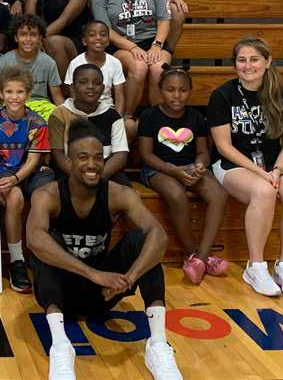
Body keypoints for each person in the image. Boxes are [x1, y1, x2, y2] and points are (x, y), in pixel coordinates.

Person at [27, 119, 183, 380]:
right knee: (46, 242)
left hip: (104, 293)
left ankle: (158, 344)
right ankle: (61, 347)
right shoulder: (47, 195)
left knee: (143, 241)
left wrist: (129, 278)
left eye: (98, 157)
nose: (92, 164)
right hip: (62, 293)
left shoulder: (119, 194)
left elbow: (158, 235)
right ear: (69, 162)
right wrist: (93, 273)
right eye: (83, 157)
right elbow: (34, 239)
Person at [207, 37, 283, 297]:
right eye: (242, 60)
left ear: (267, 61)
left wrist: (277, 170)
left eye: (254, 59)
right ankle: (255, 267)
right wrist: (261, 174)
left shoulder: (282, 95)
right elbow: (224, 147)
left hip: (273, 164)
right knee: (264, 191)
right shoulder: (222, 95)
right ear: (234, 65)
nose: (248, 65)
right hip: (233, 164)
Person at [139, 66, 228, 284]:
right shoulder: (150, 116)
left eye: (182, 90)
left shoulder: (196, 117)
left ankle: (201, 258)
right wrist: (173, 171)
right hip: (159, 169)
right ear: (160, 90)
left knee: (219, 195)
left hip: (189, 167)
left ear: (190, 91)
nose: (177, 95)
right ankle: (191, 253)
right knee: (176, 194)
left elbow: (203, 152)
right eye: (170, 90)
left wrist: (200, 166)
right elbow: (146, 155)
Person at [92, 0, 172, 117]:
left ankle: (155, 120)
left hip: (153, 41)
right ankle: (126, 117)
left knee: (158, 68)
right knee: (139, 67)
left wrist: (156, 45)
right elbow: (106, 31)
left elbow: (164, 19)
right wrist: (133, 47)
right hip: (121, 44)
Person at [0, 67, 53, 293]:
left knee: (45, 196)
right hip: (4, 172)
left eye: (20, 92)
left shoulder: (37, 122)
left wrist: (16, 178)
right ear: (0, 93)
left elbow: (34, 160)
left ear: (28, 94)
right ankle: (17, 261)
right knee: (14, 199)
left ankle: (43, 256)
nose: (14, 97)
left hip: (28, 172)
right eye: (9, 92)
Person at [49, 64, 130, 186]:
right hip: (70, 171)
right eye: (83, 82)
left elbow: (120, 155)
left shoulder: (113, 116)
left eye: (97, 83)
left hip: (104, 170)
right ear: (73, 87)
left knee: (125, 189)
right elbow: (58, 155)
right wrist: (80, 177)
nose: (91, 87)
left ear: (103, 88)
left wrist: (96, 178)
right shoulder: (59, 114)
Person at [0, 15, 64, 121]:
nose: (28, 39)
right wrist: (0, 110)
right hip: (12, 103)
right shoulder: (5, 61)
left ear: (40, 38)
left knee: (56, 119)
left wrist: (64, 114)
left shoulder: (48, 62)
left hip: (41, 105)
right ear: (16, 38)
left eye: (33, 35)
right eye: (23, 34)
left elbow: (57, 96)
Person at [64, 21, 126, 116]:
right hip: (82, 111)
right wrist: (79, 116)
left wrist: (117, 119)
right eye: (92, 35)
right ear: (84, 41)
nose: (98, 38)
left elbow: (120, 97)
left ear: (108, 41)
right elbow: (73, 94)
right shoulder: (75, 63)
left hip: (106, 109)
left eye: (103, 35)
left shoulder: (115, 62)